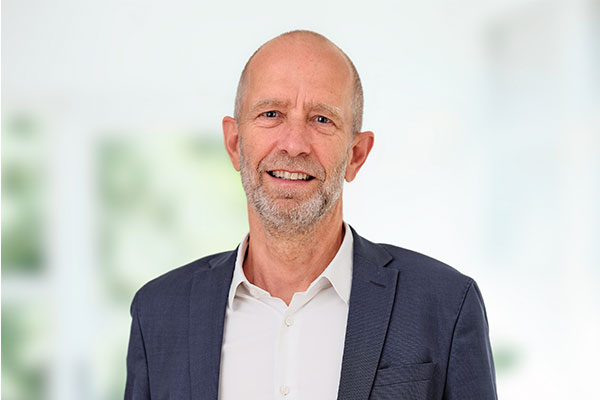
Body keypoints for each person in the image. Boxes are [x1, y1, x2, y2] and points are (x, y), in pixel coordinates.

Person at [124, 30, 497, 400]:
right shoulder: (158, 313)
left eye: (321, 119)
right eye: (271, 114)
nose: (294, 145)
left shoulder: (445, 304)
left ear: (356, 155)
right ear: (234, 143)